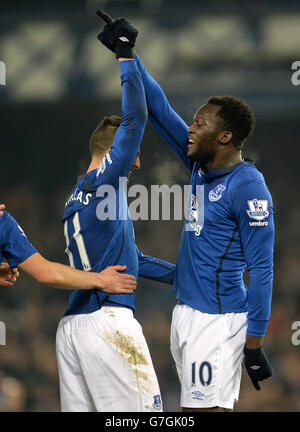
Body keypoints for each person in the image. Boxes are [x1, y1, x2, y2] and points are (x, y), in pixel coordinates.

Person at [97, 12, 274, 412]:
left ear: (224, 136)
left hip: (216, 320)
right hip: (187, 314)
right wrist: (127, 53)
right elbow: (157, 108)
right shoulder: (200, 164)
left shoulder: (249, 188)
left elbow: (262, 270)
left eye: (200, 123)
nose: (190, 129)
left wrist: (255, 344)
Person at [55, 14, 175, 412]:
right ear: (114, 152)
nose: (135, 166)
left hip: (72, 330)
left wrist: (179, 276)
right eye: (132, 158)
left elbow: (129, 262)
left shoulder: (77, 198)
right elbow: (136, 117)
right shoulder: (104, 181)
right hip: (108, 323)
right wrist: (126, 55)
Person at [0, 205, 136, 292]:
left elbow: (46, 272)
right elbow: (46, 273)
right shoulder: (2, 222)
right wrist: (101, 280)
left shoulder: (3, 221)